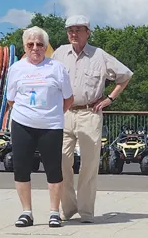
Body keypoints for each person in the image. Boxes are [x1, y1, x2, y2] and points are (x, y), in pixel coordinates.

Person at [53, 15, 133, 223]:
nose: (73, 33)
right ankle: (68, 208)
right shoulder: (59, 53)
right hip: (64, 113)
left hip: (90, 113)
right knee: (61, 160)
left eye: (78, 29)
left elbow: (125, 76)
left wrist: (109, 99)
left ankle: (86, 211)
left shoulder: (99, 56)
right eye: (70, 29)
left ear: (87, 32)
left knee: (88, 164)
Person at [7, 27, 74, 228]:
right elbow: (11, 100)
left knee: (53, 168)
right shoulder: (16, 69)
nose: (35, 48)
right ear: (24, 46)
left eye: (39, 44)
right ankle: (26, 212)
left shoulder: (57, 68)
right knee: (21, 167)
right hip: (22, 124)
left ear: (45, 47)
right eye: (30, 44)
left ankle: (54, 212)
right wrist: (28, 113)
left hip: (51, 125)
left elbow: (68, 99)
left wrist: (52, 114)